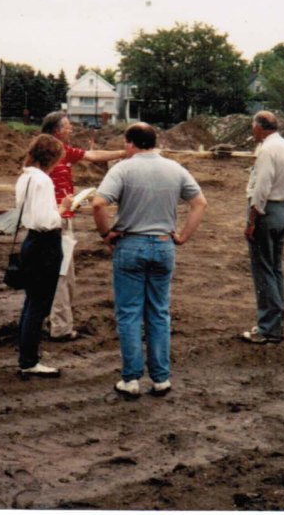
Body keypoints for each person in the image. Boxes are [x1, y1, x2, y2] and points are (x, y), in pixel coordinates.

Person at [92, 123, 207, 397]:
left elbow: (98, 203)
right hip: (164, 245)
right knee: (158, 311)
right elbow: (199, 202)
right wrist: (183, 236)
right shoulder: (175, 168)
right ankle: (160, 378)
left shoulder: (123, 168)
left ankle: (131, 379)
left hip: (131, 245)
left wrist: (106, 234)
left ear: (130, 143)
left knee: (129, 313)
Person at [40, 111, 127, 342]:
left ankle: (49, 319)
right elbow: (93, 155)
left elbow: (92, 154)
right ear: (57, 130)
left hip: (57, 218)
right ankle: (60, 327)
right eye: (67, 126)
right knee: (61, 275)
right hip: (56, 220)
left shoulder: (56, 149)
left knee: (59, 275)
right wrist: (125, 153)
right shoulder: (52, 151)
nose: (71, 130)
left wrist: (122, 153)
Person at [15, 134, 74, 377]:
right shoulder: (43, 181)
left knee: (31, 303)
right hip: (45, 244)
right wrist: (64, 209)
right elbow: (46, 220)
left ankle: (27, 357)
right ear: (52, 158)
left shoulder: (25, 177)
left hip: (31, 241)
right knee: (39, 306)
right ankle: (29, 361)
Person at [240, 110, 284, 345]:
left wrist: (251, 220)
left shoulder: (267, 150)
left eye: (253, 127)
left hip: (266, 213)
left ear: (259, 127)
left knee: (263, 270)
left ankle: (268, 329)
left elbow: (261, 188)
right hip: (283, 210)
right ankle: (275, 323)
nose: (252, 131)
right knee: (275, 269)